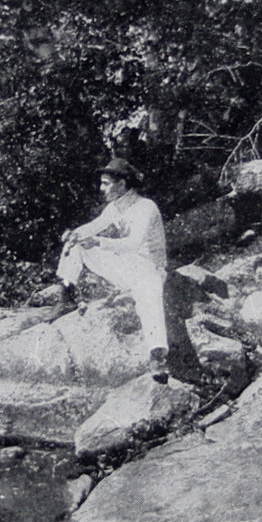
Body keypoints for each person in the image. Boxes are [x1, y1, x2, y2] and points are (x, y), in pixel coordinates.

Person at [56, 158, 170, 382]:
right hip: (126, 267)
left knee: (149, 298)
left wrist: (98, 242)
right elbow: (93, 226)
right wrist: (74, 234)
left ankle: (158, 356)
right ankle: (66, 295)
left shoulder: (146, 207)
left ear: (122, 184)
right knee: (77, 243)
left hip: (150, 269)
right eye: (102, 183)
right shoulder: (114, 207)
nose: (101, 188)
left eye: (106, 183)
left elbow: (133, 244)